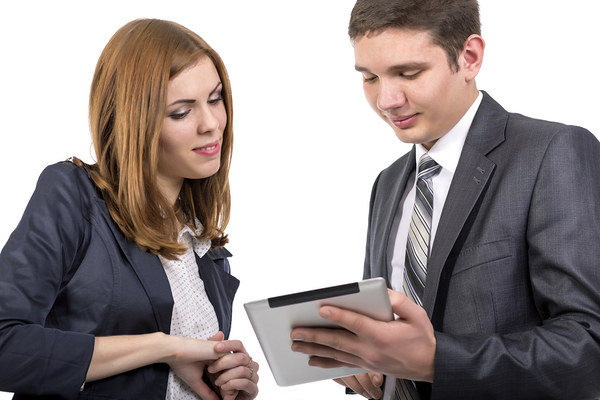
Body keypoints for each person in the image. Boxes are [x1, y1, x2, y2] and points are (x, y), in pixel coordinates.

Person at [289, 0, 600, 399]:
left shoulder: (552, 152)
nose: (386, 100)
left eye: (409, 73)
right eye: (369, 77)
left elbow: (589, 345)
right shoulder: (387, 184)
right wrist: (366, 364)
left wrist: (437, 361)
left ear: (469, 57)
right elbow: (391, 335)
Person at [0, 19, 259, 400]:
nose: (212, 124)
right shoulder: (73, 196)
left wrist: (230, 385)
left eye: (215, 99)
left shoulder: (205, 244)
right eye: (181, 112)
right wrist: (163, 347)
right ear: (134, 121)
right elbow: (5, 345)